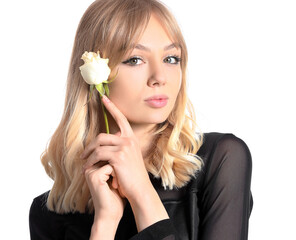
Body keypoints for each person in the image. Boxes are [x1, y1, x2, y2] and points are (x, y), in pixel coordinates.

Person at [29, 0, 253, 239]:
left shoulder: (220, 160)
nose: (159, 77)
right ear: (95, 77)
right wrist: (105, 223)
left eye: (171, 58)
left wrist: (142, 194)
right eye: (135, 59)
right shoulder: (49, 212)